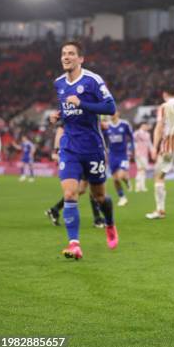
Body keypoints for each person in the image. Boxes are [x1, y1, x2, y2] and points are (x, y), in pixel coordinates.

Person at [50, 40, 119, 260]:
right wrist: (58, 115)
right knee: (70, 193)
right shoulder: (59, 83)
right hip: (69, 146)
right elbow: (66, 106)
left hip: (92, 147)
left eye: (71, 54)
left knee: (99, 197)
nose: (66, 57)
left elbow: (110, 107)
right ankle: (74, 244)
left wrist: (81, 104)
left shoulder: (92, 81)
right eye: (63, 54)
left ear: (81, 58)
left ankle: (109, 223)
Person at [145, 89, 174, 221]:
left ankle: (160, 211)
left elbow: (160, 127)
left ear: (164, 94)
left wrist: (154, 147)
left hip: (168, 147)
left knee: (159, 177)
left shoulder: (164, 106)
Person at [45, 125, 105, 228]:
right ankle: (97, 219)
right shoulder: (73, 112)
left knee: (81, 190)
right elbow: (60, 128)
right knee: (91, 186)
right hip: (78, 153)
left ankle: (54, 210)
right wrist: (56, 151)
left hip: (89, 151)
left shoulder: (90, 113)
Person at [104, 111, 134, 206]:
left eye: (114, 112)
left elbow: (131, 136)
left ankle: (127, 181)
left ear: (118, 113)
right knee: (115, 179)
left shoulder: (124, 124)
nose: (112, 114)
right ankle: (122, 197)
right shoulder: (107, 126)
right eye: (110, 113)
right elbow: (102, 138)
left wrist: (131, 148)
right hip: (112, 155)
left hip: (123, 155)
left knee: (121, 176)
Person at [133, 122, 153, 192]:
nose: (146, 127)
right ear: (141, 126)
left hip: (145, 154)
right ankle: (141, 186)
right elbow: (133, 141)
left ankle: (139, 187)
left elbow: (149, 144)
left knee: (141, 170)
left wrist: (152, 151)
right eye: (145, 126)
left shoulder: (147, 134)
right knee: (142, 170)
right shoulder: (137, 133)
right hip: (139, 153)